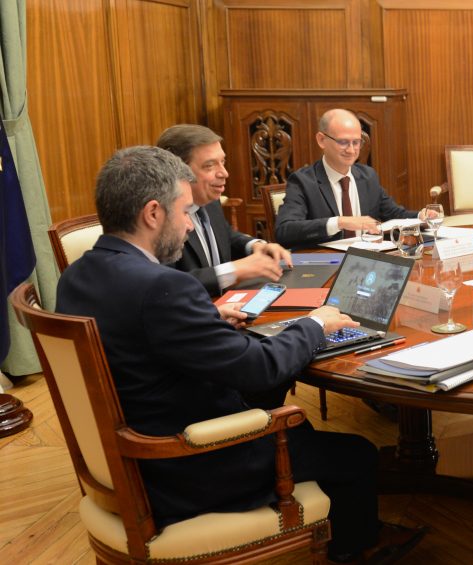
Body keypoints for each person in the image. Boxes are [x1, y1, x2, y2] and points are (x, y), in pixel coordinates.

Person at [56, 146, 424, 563]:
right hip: (185, 465)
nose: (190, 225)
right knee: (356, 453)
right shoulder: (162, 288)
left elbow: (137, 335)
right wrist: (315, 324)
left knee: (298, 424)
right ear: (152, 213)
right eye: (184, 212)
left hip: (131, 451)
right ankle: (359, 549)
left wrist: (205, 321)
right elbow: (259, 370)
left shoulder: (76, 275)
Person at [155, 124, 291, 297]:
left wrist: (254, 246)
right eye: (209, 165)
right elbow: (168, 286)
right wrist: (234, 270)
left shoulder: (210, 200)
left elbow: (225, 235)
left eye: (223, 162)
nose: (224, 173)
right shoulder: (160, 218)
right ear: (177, 172)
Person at [275, 108, 434, 248]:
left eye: (356, 142)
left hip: (368, 259)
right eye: (343, 142)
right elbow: (285, 231)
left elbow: (393, 213)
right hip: (326, 263)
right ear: (321, 140)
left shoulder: (368, 176)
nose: (351, 150)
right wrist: (340, 222)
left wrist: (420, 216)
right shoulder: (303, 181)